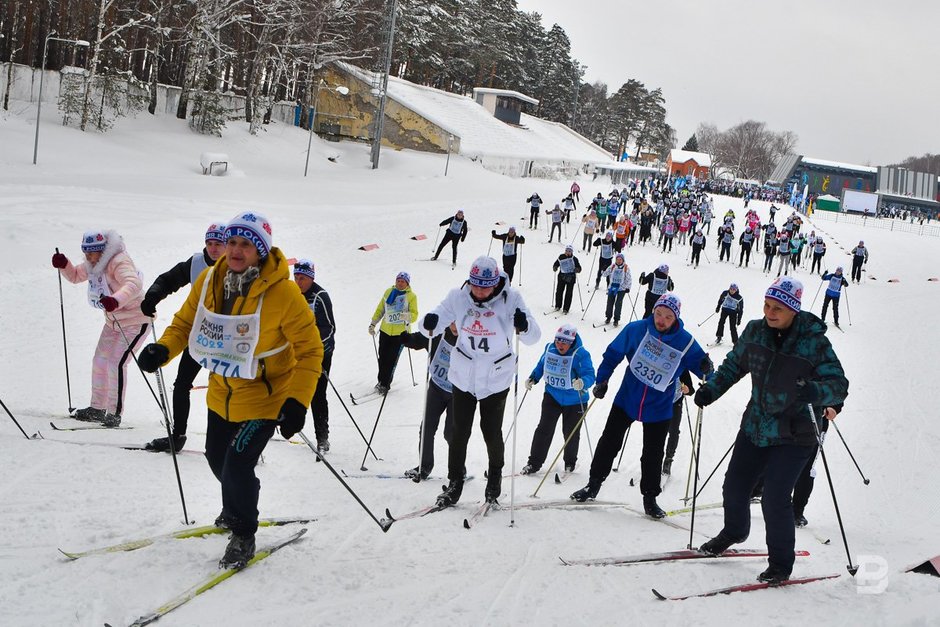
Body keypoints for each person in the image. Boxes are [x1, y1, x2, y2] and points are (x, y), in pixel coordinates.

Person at [137, 212, 323, 569]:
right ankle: (237, 499)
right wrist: (164, 349)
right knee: (216, 459)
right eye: (232, 242)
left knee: (237, 466)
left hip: (265, 398)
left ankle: (243, 532)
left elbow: (311, 350)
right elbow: (185, 323)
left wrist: (297, 401)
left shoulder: (283, 293)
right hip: (221, 391)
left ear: (261, 251)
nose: (236, 251)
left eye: (246, 245)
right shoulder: (210, 279)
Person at [693, 276, 849, 583]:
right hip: (756, 426)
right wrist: (711, 390)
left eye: (778, 307)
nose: (770, 312)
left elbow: (839, 385)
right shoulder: (754, 331)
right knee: (734, 487)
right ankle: (734, 531)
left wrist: (815, 392)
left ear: (793, 310)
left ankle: (780, 563)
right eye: (766, 305)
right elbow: (732, 367)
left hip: (796, 434)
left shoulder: (814, 342)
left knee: (775, 497)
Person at [570, 293, 712, 518]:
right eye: (658, 314)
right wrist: (602, 380)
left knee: (653, 454)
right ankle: (593, 483)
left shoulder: (686, 342)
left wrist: (707, 372)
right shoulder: (636, 329)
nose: (661, 320)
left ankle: (650, 497)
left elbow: (705, 371)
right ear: (653, 311)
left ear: (675, 318)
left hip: (659, 407)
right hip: (627, 398)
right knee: (609, 442)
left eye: (667, 316)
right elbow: (613, 354)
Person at [422, 256, 541, 506]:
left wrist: (524, 325)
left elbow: (533, 336)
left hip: (496, 379)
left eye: (485, 287)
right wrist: (429, 322)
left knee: (491, 432)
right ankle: (455, 483)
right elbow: (434, 320)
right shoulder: (459, 296)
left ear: (496, 283)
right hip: (464, 376)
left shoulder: (511, 299)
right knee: (458, 431)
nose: (479, 291)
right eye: (475, 285)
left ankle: (495, 479)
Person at [138, 223, 226, 450]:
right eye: (210, 244)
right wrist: (152, 297)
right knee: (181, 384)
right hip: (201, 335)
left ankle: (235, 443)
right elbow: (168, 280)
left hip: (229, 341)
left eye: (219, 244)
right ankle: (177, 436)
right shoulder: (196, 263)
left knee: (226, 388)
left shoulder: (238, 269)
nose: (213, 249)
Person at [52, 230, 149, 428]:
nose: (88, 257)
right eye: (85, 252)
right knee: (100, 360)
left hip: (136, 321)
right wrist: (65, 265)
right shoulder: (95, 264)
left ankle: (114, 413)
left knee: (116, 363)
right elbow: (77, 275)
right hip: (113, 321)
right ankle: (97, 408)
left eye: (92, 252)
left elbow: (134, 284)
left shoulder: (119, 262)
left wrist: (116, 299)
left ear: (103, 251)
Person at [521, 324, 596, 475]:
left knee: (570, 432)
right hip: (552, 396)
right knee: (544, 429)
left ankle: (569, 463)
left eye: (564, 342)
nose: (560, 345)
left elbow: (590, 374)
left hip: (575, 401)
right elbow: (542, 365)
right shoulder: (550, 349)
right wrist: (533, 378)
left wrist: (583, 382)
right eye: (558, 341)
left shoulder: (581, 354)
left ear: (571, 342)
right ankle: (534, 463)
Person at [400, 324, 458, 480]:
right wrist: (407, 339)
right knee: (426, 427)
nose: (455, 326)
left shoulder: (468, 340)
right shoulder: (438, 333)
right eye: (452, 322)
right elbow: (419, 339)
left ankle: (458, 469)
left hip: (457, 393)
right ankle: (424, 466)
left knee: (451, 433)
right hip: (437, 387)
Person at [293, 259, 336, 451]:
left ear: (311, 278)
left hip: (321, 352)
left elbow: (330, 328)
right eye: (296, 277)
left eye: (302, 278)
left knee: (317, 394)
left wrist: (314, 346)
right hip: (298, 351)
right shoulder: (294, 295)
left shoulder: (320, 297)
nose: (298, 281)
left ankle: (322, 437)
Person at [369, 272, 418, 393]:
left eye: (403, 281)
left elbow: (415, 315)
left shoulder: (411, 296)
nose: (400, 283)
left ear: (407, 283)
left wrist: (404, 316)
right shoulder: (388, 292)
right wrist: (373, 323)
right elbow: (381, 309)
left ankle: (385, 384)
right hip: (385, 331)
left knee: (391, 360)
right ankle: (380, 381)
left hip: (400, 334)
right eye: (398, 280)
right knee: (382, 358)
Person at [793, 405, 841, 527]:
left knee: (806, 468)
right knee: (775, 460)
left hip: (816, 423)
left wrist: (834, 408)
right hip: (787, 417)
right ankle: (759, 489)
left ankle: (796, 512)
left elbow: (837, 388)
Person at [662, 370, 694, 475]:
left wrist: (687, 389)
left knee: (674, 431)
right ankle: (654, 457)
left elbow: (691, 389)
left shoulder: (683, 368)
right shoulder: (661, 362)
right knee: (657, 430)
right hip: (659, 401)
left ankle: (668, 459)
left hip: (676, 403)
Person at [602, 253, 633, 326]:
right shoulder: (612, 266)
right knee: (610, 302)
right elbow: (604, 274)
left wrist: (628, 288)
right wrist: (603, 269)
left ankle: (616, 319)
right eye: (617, 259)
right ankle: (608, 317)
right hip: (612, 287)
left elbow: (629, 278)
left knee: (618, 304)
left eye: (620, 259)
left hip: (621, 288)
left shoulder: (626, 267)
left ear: (623, 260)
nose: (619, 261)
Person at [553, 245, 582, 314]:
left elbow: (579, 268)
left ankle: (566, 308)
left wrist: (577, 269)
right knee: (559, 291)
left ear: (571, 252)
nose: (567, 252)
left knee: (568, 293)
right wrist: (555, 267)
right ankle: (558, 305)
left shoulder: (574, 259)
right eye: (566, 250)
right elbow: (556, 263)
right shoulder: (561, 256)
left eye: (569, 251)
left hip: (571, 278)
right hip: (562, 276)